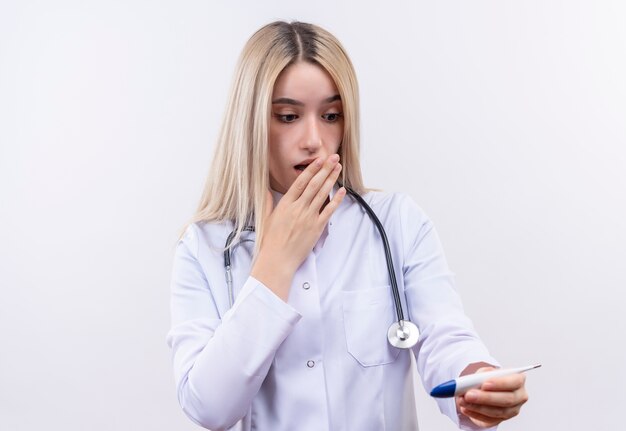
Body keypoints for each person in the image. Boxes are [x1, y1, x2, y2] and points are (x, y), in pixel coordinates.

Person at [166, 21, 529, 431]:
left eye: (331, 115)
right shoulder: (204, 248)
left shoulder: (397, 222)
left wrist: (479, 383)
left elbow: (445, 337)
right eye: (287, 116)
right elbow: (208, 408)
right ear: (250, 123)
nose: (314, 140)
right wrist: (274, 266)